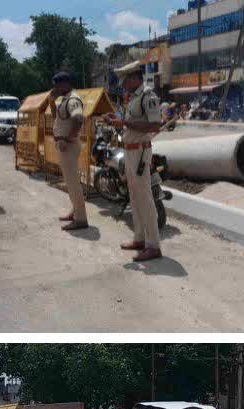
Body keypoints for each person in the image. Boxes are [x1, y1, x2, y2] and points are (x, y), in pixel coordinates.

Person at [103, 62, 163, 262]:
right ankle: (139, 239)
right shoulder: (133, 98)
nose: (123, 84)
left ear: (135, 78)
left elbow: (155, 124)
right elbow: (130, 123)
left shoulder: (148, 96)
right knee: (135, 197)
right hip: (130, 152)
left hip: (140, 153)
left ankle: (153, 245)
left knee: (144, 198)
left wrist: (125, 122)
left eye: (125, 80)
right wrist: (115, 119)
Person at [51, 72, 90, 231]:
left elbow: (78, 119)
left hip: (69, 145)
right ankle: (75, 211)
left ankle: (80, 219)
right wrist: (50, 101)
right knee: (70, 181)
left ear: (65, 83)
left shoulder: (73, 99)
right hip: (64, 146)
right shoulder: (65, 99)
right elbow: (57, 118)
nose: (55, 88)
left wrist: (67, 139)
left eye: (57, 85)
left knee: (73, 183)